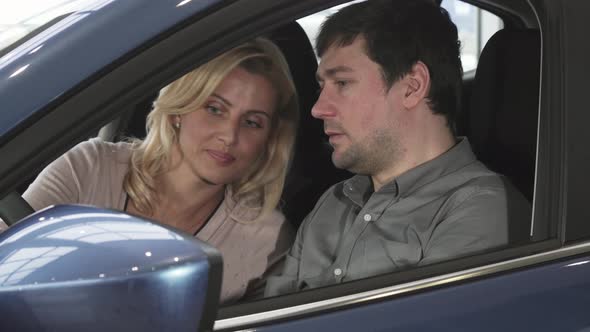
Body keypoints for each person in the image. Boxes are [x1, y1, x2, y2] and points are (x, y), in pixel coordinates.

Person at [265, 0, 531, 296]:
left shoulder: (481, 210)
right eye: (321, 87)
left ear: (412, 86)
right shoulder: (333, 202)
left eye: (341, 83)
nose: (317, 109)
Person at [20, 38, 299, 304]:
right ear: (180, 109)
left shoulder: (266, 238)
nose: (229, 135)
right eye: (215, 109)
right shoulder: (88, 169)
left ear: (269, 138)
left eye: (252, 122)